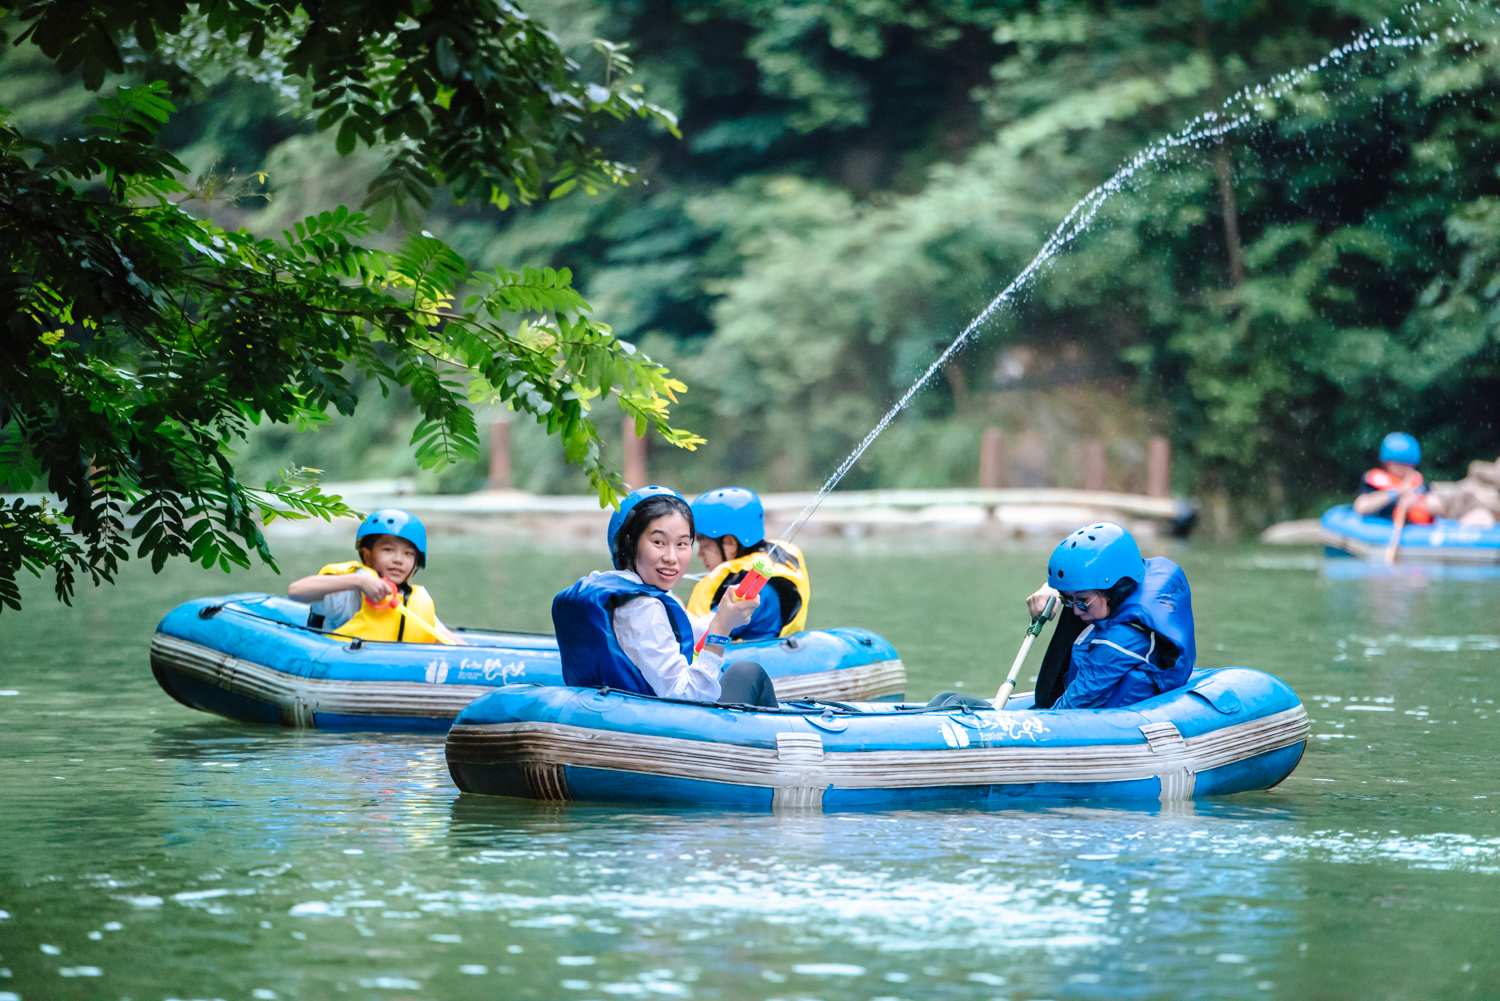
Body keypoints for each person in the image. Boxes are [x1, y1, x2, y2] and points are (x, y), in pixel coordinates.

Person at [552, 486, 781, 708]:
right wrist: (720, 630)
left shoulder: (625, 587)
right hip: (662, 723)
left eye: (682, 544)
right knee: (747, 673)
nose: (672, 557)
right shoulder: (644, 608)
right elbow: (686, 698)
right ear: (630, 542)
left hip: (627, 710)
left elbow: (695, 628)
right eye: (658, 542)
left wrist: (726, 616)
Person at [1017, 523, 1195, 709]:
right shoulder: (1131, 580)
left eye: (1082, 601)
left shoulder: (1122, 640)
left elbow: (1069, 707)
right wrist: (1053, 588)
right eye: (1068, 599)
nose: (1076, 611)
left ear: (1115, 589)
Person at [287, 509, 460, 644]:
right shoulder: (347, 592)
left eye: (408, 553)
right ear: (367, 555)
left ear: (416, 562)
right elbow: (295, 592)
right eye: (388, 550)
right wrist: (358, 581)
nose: (398, 560)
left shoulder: (411, 602)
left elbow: (449, 641)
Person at [686, 487, 810, 641]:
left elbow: (700, 633)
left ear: (730, 543)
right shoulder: (758, 571)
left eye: (704, 546)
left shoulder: (756, 589)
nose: (700, 554)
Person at [1352, 432, 1444, 524]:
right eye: (1397, 464)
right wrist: (1396, 492)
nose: (1402, 469)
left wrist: (1414, 500)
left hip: (1412, 527)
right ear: (1386, 464)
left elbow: (1438, 506)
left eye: (1406, 465)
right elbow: (1360, 506)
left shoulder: (1419, 484)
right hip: (1382, 524)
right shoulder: (1374, 483)